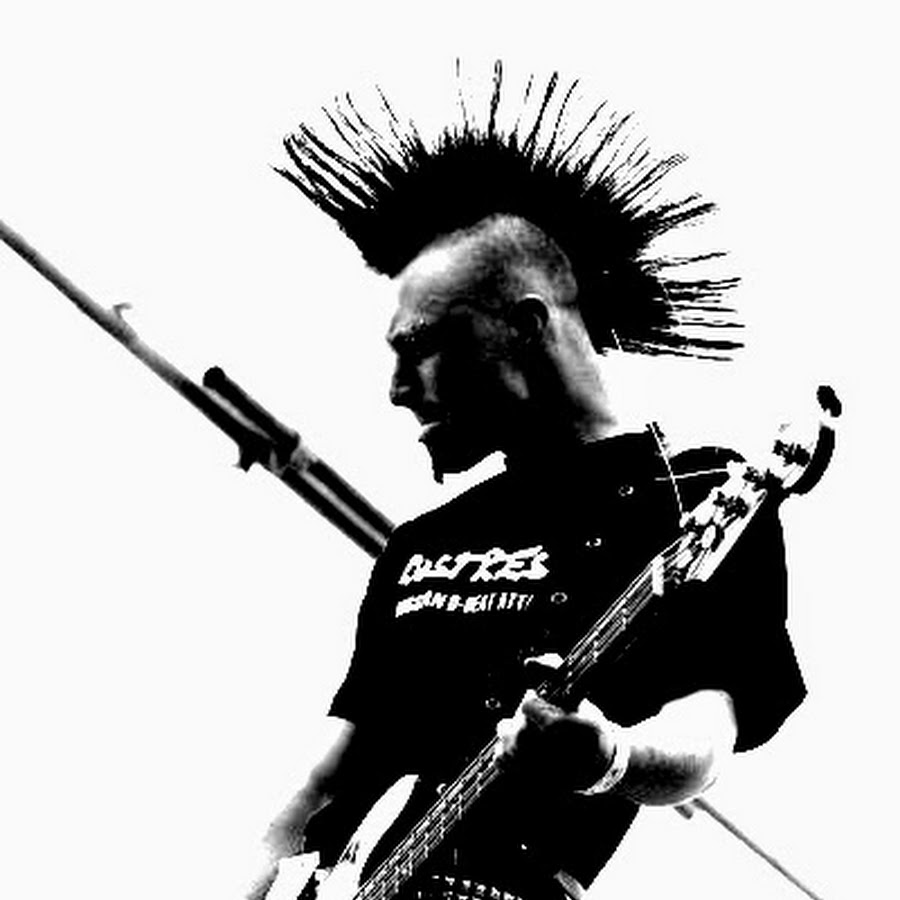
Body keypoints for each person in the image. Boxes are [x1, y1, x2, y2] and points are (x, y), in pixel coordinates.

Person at [250, 65, 805, 900]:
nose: (398, 389)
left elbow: (703, 735)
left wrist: (609, 757)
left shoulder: (696, 496)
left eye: (419, 346)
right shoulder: (422, 545)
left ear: (525, 324)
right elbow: (320, 791)